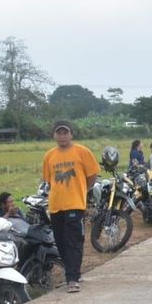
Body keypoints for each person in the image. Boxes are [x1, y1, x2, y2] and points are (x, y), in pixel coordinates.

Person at [42, 120, 99, 293]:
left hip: (75, 204)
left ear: (71, 134)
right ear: (54, 135)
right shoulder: (49, 155)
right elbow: (49, 180)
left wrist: (82, 190)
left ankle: (72, 279)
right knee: (60, 242)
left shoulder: (82, 151)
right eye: (59, 133)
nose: (62, 136)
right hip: (56, 206)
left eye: (65, 132)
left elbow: (92, 175)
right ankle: (74, 271)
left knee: (73, 240)